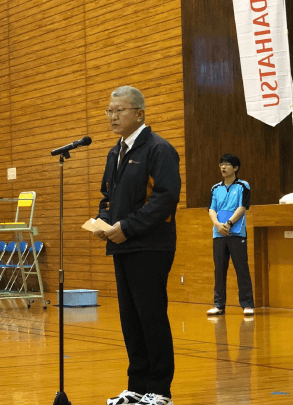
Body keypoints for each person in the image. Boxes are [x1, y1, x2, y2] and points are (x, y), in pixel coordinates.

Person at [94, 86, 181, 405]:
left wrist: (126, 227)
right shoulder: (114, 152)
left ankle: (160, 390)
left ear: (139, 114)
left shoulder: (159, 149)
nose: (112, 116)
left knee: (151, 315)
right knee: (130, 318)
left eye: (119, 110)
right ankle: (137, 385)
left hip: (150, 246)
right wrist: (103, 222)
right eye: (109, 110)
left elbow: (166, 198)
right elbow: (107, 196)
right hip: (122, 245)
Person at [207, 153, 255, 316]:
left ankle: (247, 305)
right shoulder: (215, 188)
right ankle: (218, 304)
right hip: (218, 234)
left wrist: (228, 224)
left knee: (241, 268)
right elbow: (211, 209)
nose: (223, 167)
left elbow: (242, 207)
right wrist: (218, 225)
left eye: (227, 164)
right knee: (219, 269)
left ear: (235, 168)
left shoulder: (243, 186)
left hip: (236, 233)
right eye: (221, 164)